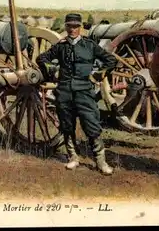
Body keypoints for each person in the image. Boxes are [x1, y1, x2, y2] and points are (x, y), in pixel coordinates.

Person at [36, 13, 117, 175]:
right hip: (64, 92)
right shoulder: (60, 46)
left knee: (92, 125)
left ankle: (100, 162)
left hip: (85, 92)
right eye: (69, 26)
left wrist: (98, 75)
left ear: (80, 28)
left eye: (75, 26)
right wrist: (52, 71)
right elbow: (41, 58)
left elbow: (111, 60)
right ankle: (73, 158)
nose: (72, 30)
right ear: (65, 27)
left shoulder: (90, 45)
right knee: (67, 125)